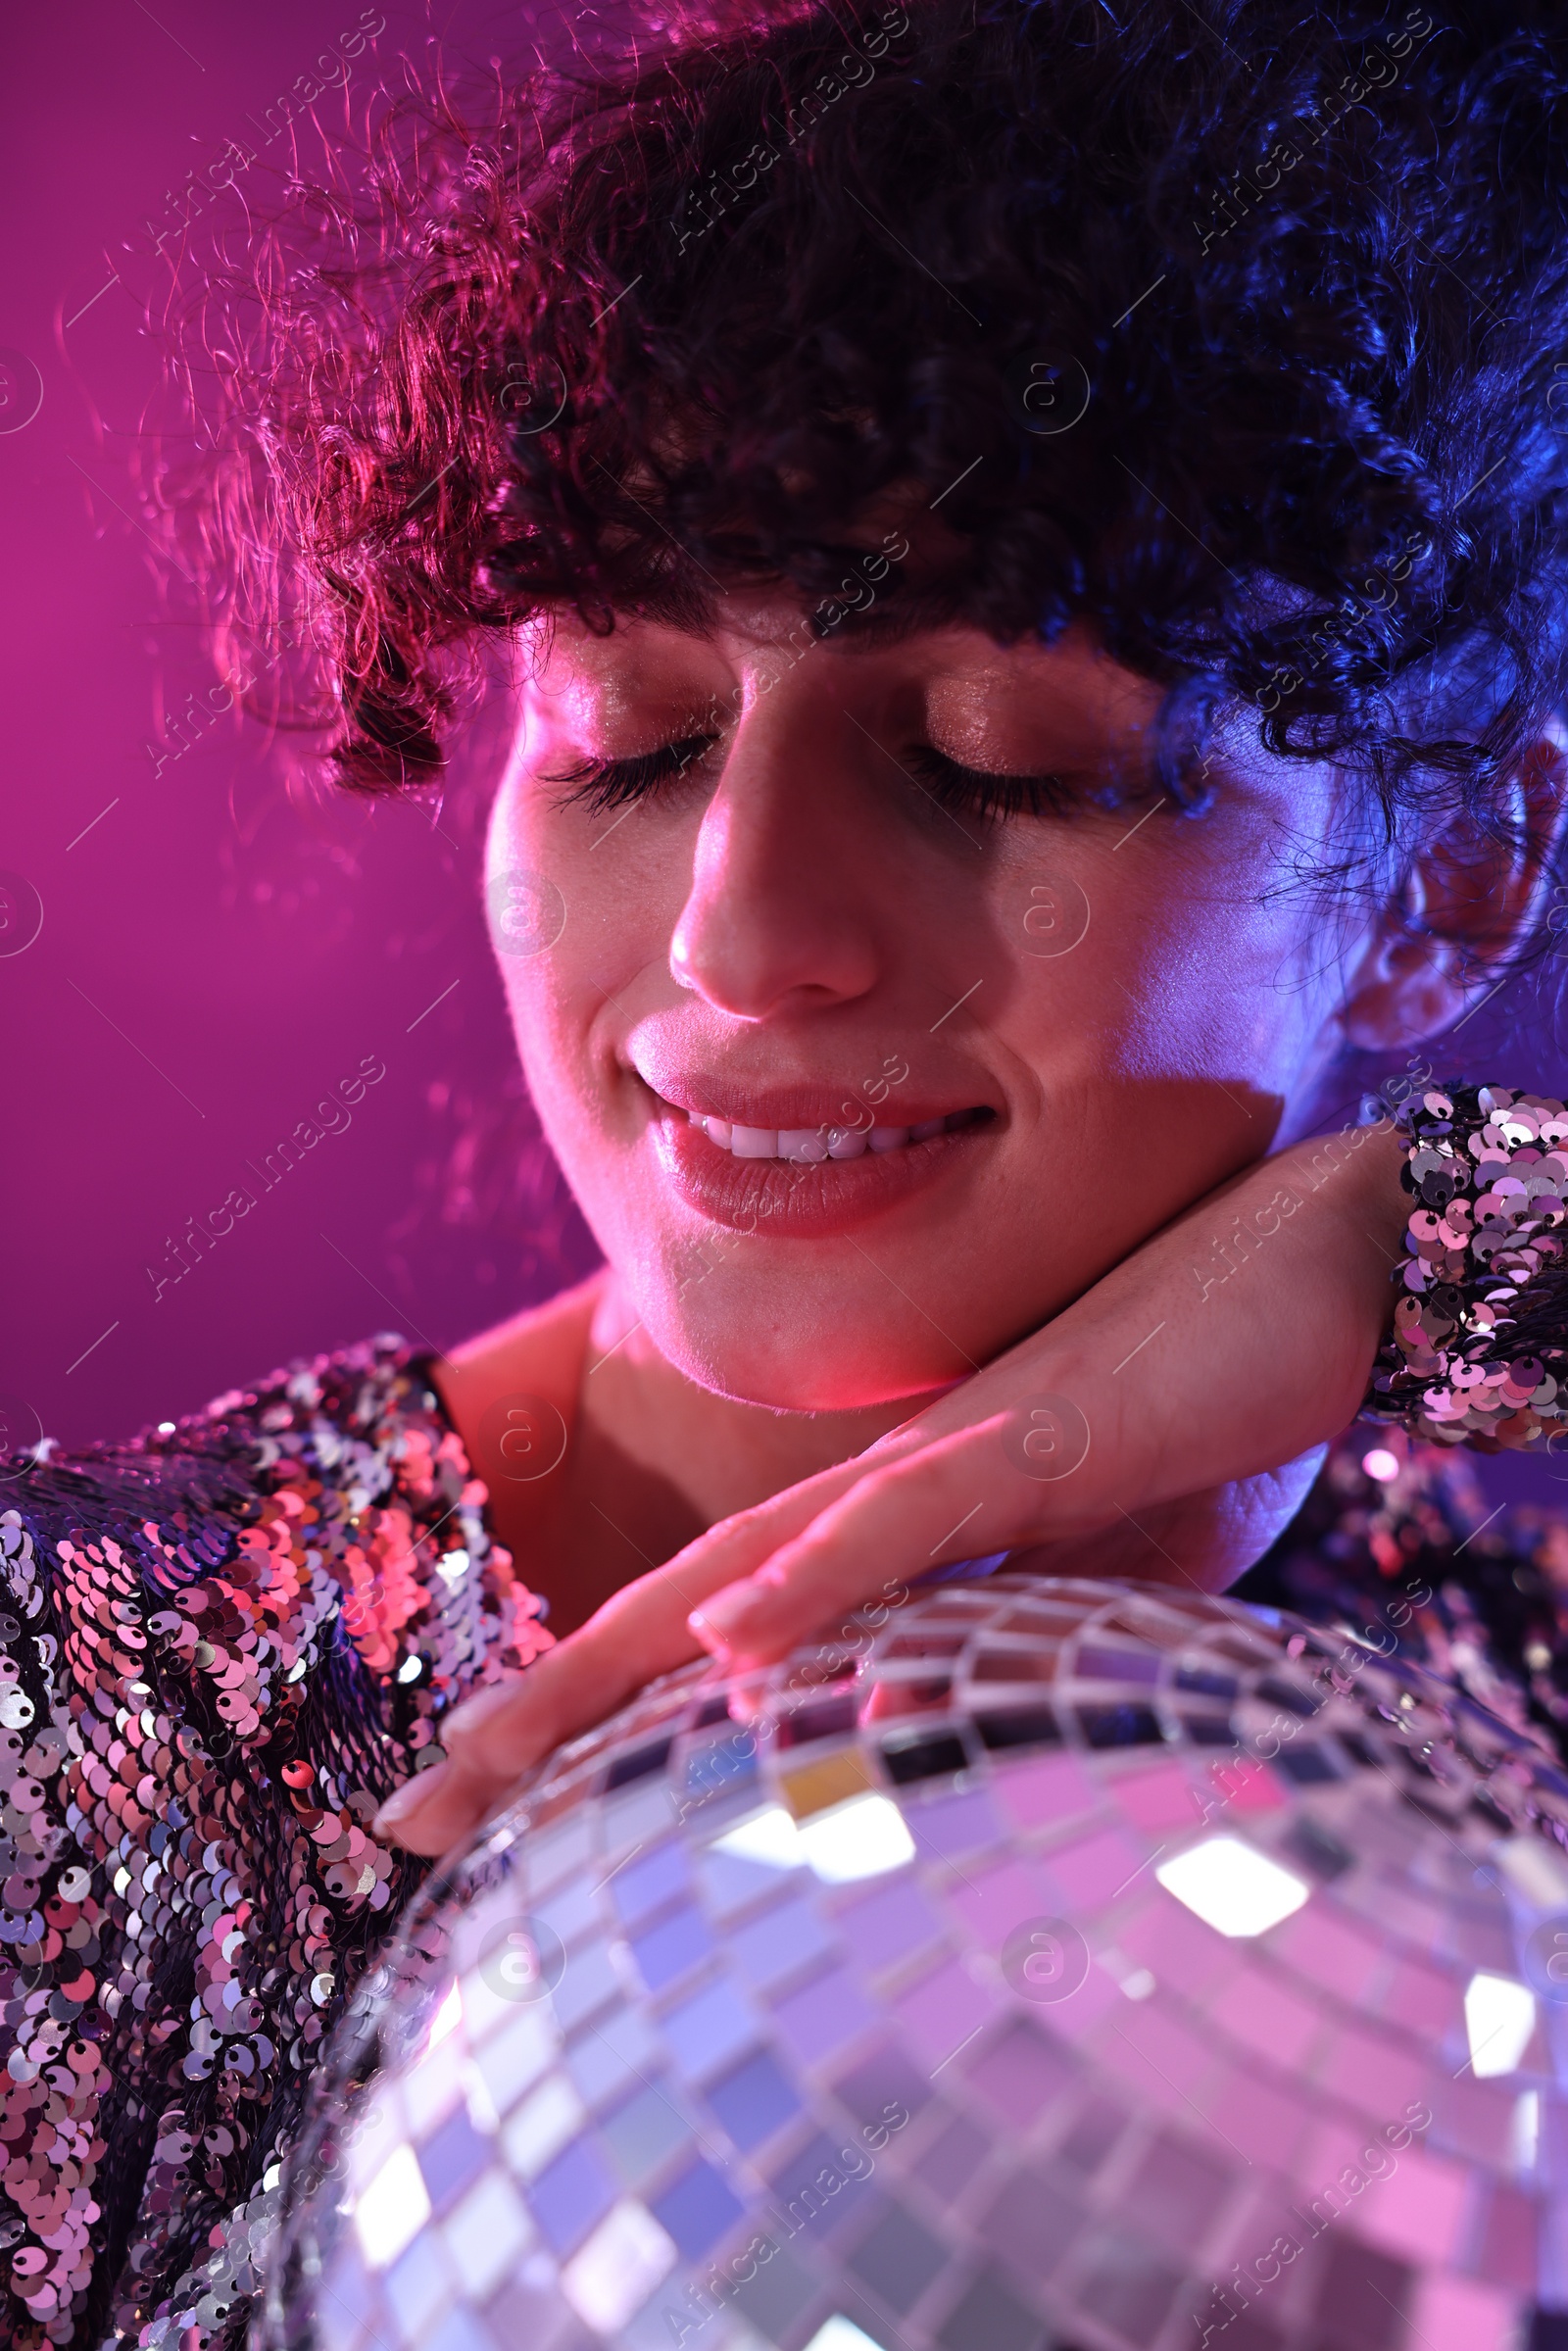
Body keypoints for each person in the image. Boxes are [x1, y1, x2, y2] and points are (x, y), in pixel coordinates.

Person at [12, 0, 1568, 2344]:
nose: (741, 935)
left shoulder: (1502, 1694)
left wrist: (1430, 1248)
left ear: (1446, 872)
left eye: (989, 757)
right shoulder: (94, 1743)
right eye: (623, 743)